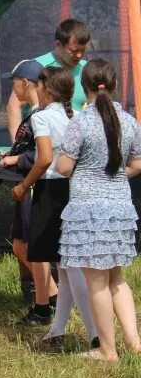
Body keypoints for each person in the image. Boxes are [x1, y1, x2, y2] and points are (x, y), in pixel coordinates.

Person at [57, 59, 141, 361]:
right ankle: (134, 342)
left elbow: (64, 166)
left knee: (97, 282)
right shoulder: (130, 121)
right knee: (117, 278)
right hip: (121, 207)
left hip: (88, 210)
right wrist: (115, 174)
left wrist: (85, 172)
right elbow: (137, 163)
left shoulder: (80, 122)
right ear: (114, 84)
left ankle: (108, 350)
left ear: (85, 87)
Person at [11, 67, 74, 327]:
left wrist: (25, 185)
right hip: (70, 185)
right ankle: (68, 305)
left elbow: (44, 158)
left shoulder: (41, 118)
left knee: (39, 252)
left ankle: (42, 307)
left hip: (48, 187)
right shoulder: (74, 116)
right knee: (65, 253)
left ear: (45, 90)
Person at [0, 60, 46, 305]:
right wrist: (11, 158)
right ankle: (52, 296)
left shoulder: (41, 116)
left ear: (25, 83)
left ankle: (47, 301)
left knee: (33, 249)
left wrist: (15, 159)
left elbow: (45, 155)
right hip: (25, 187)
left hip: (34, 187)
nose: (13, 88)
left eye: (14, 82)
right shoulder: (34, 114)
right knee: (20, 246)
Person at [6, 18, 91, 141]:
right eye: (73, 51)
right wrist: (17, 147)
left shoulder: (88, 69)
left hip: (78, 145)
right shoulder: (36, 67)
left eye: (82, 50)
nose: (78, 55)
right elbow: (14, 106)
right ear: (58, 45)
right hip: (44, 146)